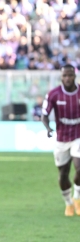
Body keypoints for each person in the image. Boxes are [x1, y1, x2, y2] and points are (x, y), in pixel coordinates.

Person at [41, 64, 80, 217]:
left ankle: (77, 198)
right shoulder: (54, 94)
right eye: (65, 76)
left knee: (79, 167)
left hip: (78, 135)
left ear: (74, 76)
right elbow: (44, 114)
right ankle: (68, 203)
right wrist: (48, 128)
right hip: (61, 138)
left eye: (70, 75)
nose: (67, 78)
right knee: (63, 174)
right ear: (61, 77)